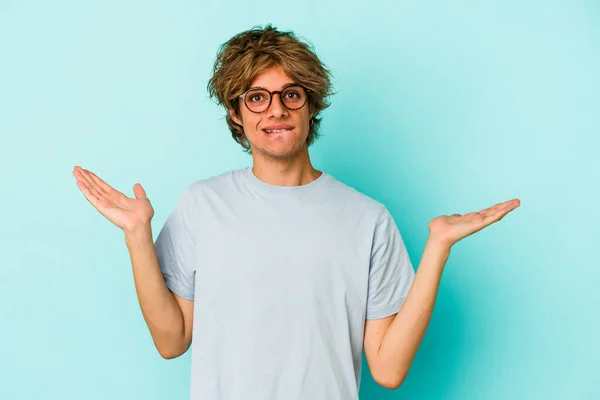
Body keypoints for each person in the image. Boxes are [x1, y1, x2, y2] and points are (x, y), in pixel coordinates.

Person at [73, 24, 520, 400]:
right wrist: (136, 234)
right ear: (236, 113)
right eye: (256, 97)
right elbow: (171, 341)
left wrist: (439, 246)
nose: (276, 110)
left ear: (312, 105)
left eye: (291, 94)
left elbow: (388, 369)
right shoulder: (201, 204)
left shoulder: (367, 218)